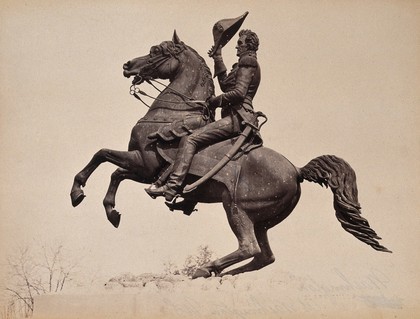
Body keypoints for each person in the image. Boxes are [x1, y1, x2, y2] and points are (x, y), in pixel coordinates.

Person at [146, 29, 261, 201]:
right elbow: (225, 85)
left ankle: (172, 186)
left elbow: (238, 93)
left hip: (238, 117)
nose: (237, 47)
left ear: (248, 45)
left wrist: (214, 101)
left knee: (190, 139)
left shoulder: (248, 61)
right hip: (234, 116)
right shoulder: (242, 64)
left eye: (240, 44)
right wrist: (218, 57)